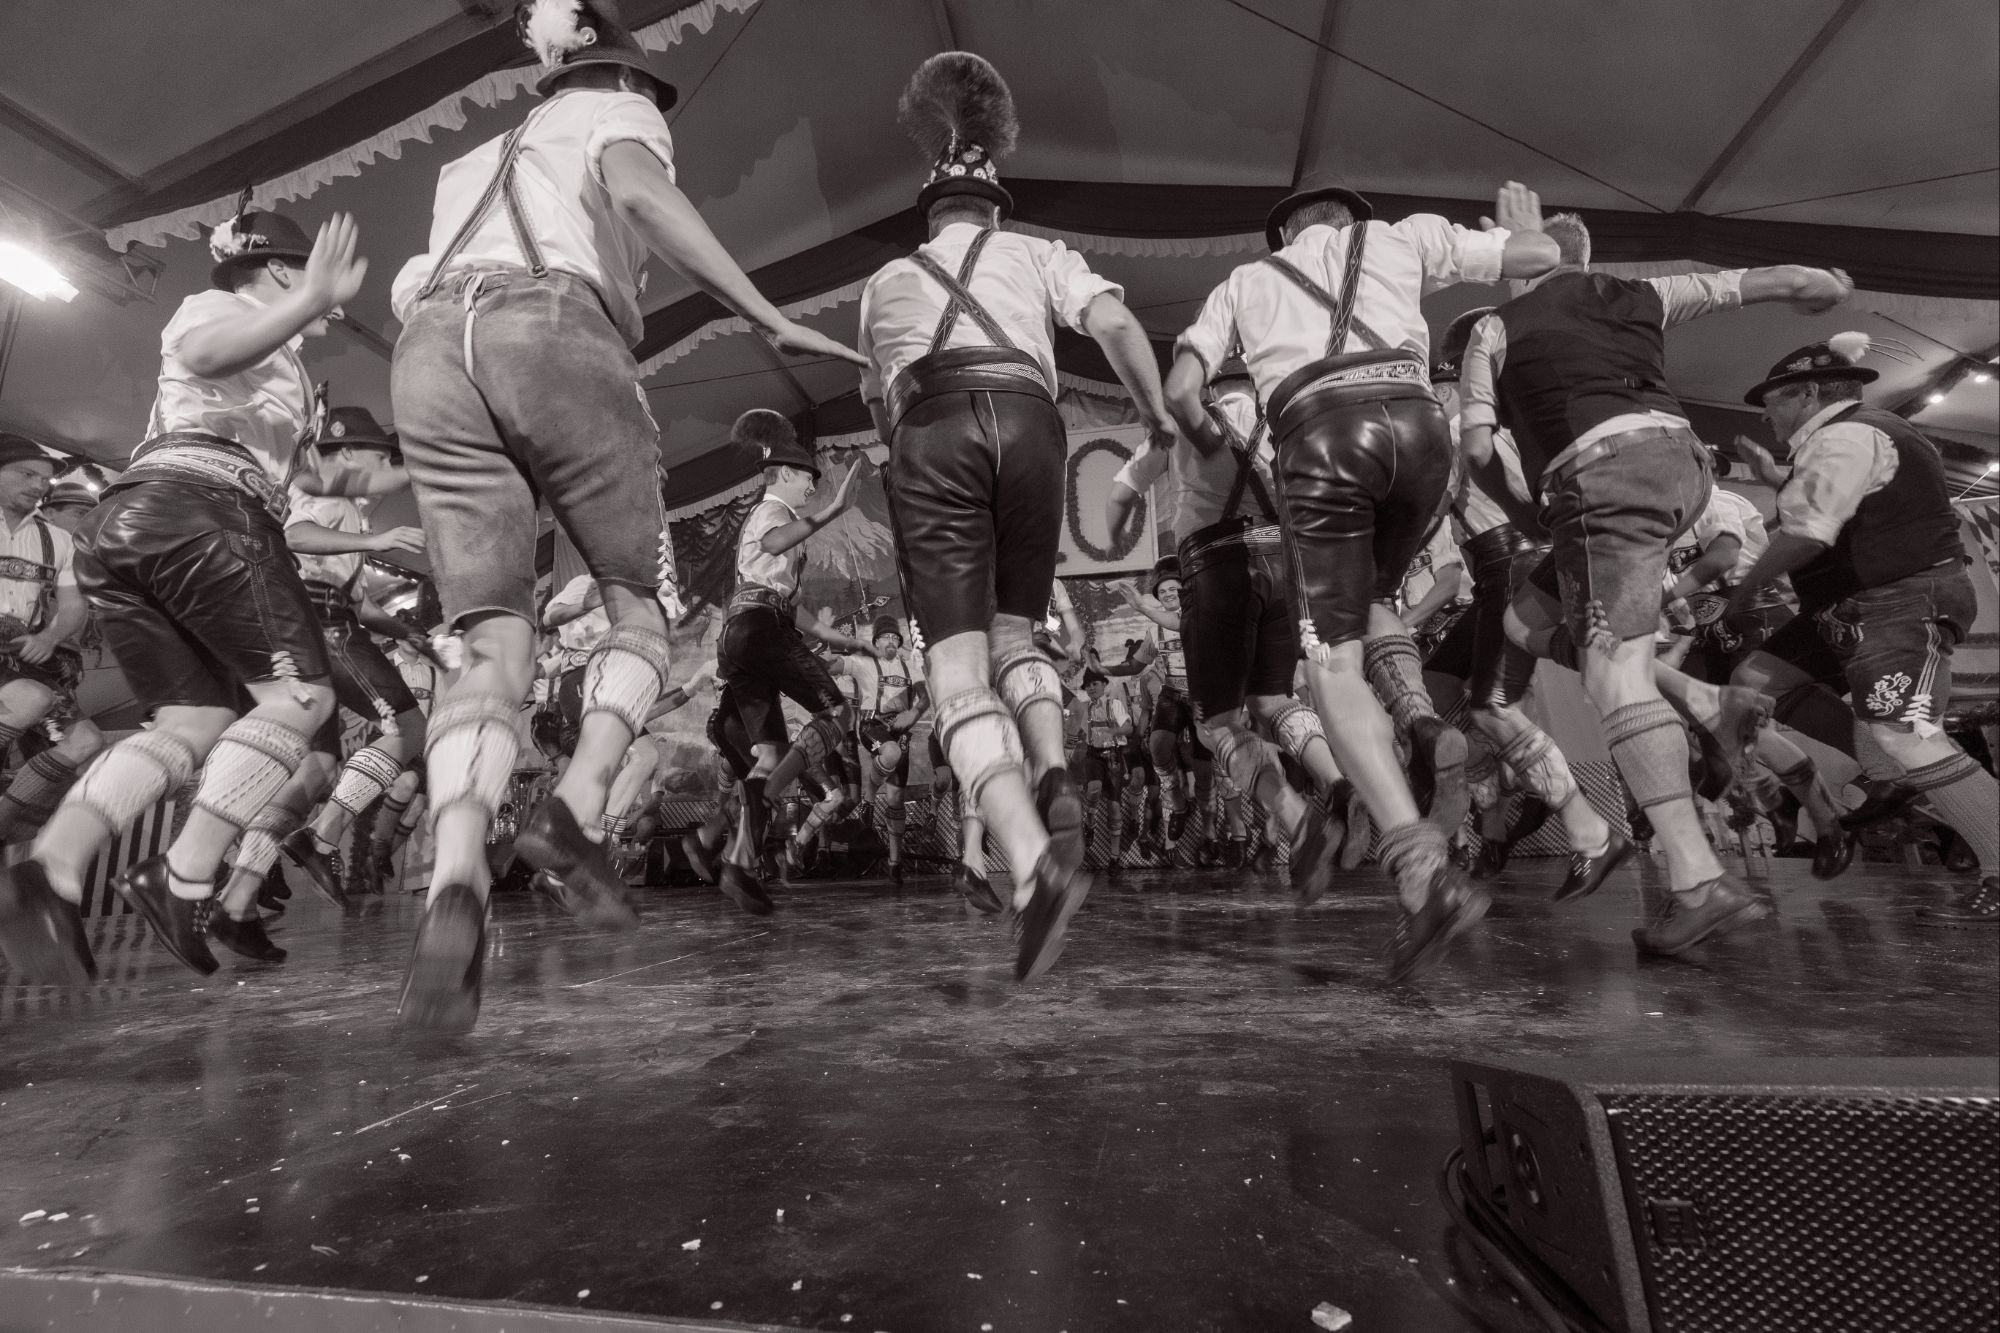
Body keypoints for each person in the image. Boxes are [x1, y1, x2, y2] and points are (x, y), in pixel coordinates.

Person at [386, 0, 864, 1028]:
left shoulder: (468, 164)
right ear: (625, 77)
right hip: (551, 329)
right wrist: (769, 316)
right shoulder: (618, 111)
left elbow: (410, 287)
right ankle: (575, 807)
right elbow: (642, 195)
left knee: (491, 645)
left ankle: (456, 878)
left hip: (427, 352)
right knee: (638, 610)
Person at [1168, 174, 1559, 980]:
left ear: (1286, 236)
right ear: (1353, 220)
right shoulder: (1403, 235)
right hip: (1419, 429)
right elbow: (1536, 255)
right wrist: (1528, 232)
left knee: (1329, 663)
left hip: (1321, 438)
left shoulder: (1246, 280)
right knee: (1369, 600)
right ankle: (1419, 718)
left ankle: (1421, 876)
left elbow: (1179, 390)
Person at [1457, 211, 1857, 955]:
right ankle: (1700, 697)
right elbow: (1758, 282)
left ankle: (1697, 881)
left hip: (1600, 478)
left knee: (1614, 680)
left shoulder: (1493, 327)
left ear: (1519, 263)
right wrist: (1819, 285)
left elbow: (1477, 450)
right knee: (1523, 622)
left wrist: (1527, 514)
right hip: (1681, 467)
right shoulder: (1640, 291)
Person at [857, 52, 1177, 979]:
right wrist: (1156, 422)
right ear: (996, 209)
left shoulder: (885, 282)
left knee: (957, 667)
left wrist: (914, 458)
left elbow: (876, 405)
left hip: (932, 424)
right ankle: (1052, 765)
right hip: (1034, 424)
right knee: (1017, 633)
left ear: (929, 214)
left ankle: (1032, 862)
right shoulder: (1037, 255)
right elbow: (1116, 326)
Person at [0, 207, 365, 986]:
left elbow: (301, 470)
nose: (331, 302)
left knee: (192, 721)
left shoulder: (282, 359)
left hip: (145, 524)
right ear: (278, 271)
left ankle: (52, 869)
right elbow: (201, 353)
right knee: (301, 699)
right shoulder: (220, 307)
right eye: (313, 278)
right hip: (200, 511)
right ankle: (186, 875)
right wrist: (311, 299)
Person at [1726, 334, 1998, 924]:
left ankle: (1988, 851)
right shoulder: (1848, 438)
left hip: (1899, 602)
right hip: (1849, 607)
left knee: (1907, 735)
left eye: (1771, 403)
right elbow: (1847, 505)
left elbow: (1809, 534)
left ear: (1806, 393)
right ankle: (1884, 777)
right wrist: (1775, 479)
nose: (1766, 416)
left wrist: (1743, 590)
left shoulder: (1848, 435)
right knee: (1752, 682)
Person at [1114, 361, 1349, 897]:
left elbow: (1126, 488)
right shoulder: (1285, 425)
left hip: (1219, 566)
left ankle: (1296, 818)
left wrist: (1114, 527)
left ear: (1210, 388)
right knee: (1272, 699)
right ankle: (1337, 782)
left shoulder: (1187, 423)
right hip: (1286, 564)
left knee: (1215, 725)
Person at [1424, 307, 1621, 890]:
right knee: (1439, 687)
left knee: (1492, 706)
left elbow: (1437, 503)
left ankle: (1579, 823)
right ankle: (1512, 785)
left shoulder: (1457, 424)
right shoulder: (1500, 423)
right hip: (1504, 564)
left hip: (1510, 559)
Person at [713, 411, 872, 909]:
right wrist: (835, 510)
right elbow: (773, 542)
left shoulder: (776, 520)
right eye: (808, 478)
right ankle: (768, 795)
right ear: (784, 473)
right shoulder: (772, 511)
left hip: (744, 631)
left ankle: (739, 864)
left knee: (768, 755)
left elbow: (791, 606)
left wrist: (843, 641)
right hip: (761, 629)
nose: (812, 487)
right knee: (839, 713)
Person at [0, 443, 102, 848]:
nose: (38, 485)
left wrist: (49, 637)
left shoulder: (58, 541)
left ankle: (5, 824)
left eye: (44, 479)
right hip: (21, 674)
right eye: (27, 474)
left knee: (85, 741)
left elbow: (74, 606)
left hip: (23, 657)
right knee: (30, 699)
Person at [851, 616, 929, 883]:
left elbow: (925, 697)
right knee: (891, 753)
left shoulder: (910, 666)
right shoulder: (864, 663)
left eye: (895, 637)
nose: (892, 641)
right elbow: (838, 664)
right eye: (886, 637)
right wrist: (824, 659)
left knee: (896, 798)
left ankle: (895, 863)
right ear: (876, 641)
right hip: (872, 725)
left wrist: (913, 715)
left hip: (899, 729)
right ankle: (869, 797)